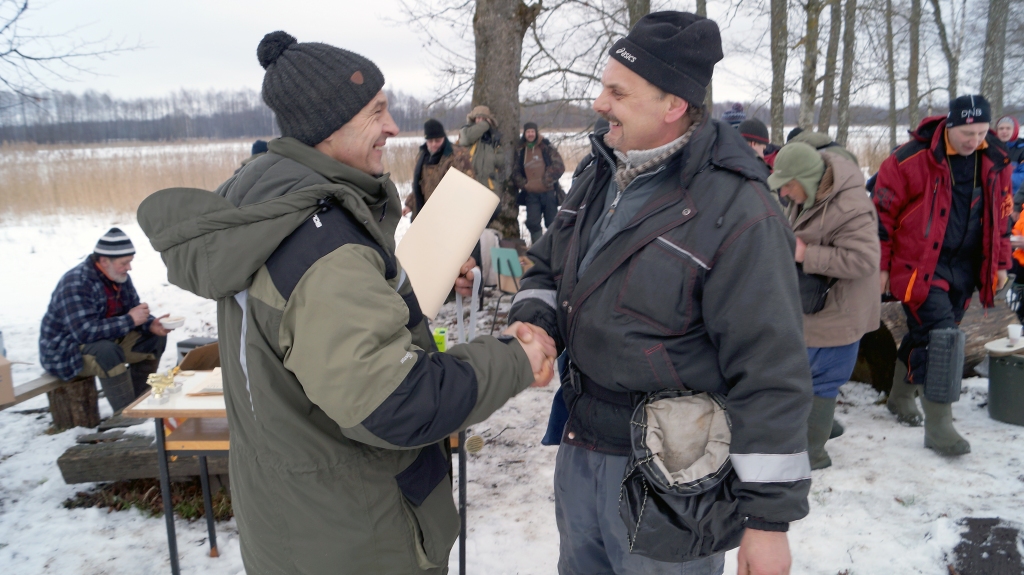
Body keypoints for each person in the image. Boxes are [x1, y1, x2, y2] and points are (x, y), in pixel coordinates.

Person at [137, 31, 556, 575]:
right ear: (327, 126)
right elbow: (396, 403)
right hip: (359, 539)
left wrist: (404, 286)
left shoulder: (272, 209)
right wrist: (513, 358)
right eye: (376, 111)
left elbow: (322, 331)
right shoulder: (322, 246)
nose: (392, 126)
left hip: (300, 524)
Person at [508, 12, 812, 575]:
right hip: (582, 445)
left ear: (673, 105)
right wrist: (536, 325)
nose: (599, 103)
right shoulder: (599, 172)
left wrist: (767, 523)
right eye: (604, 87)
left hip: (674, 474)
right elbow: (548, 266)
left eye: (618, 92)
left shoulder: (737, 209)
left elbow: (771, 370)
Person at [874, 95, 1012, 456]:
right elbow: (881, 218)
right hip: (920, 265)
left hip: (966, 267)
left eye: (981, 132)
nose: (975, 140)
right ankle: (940, 426)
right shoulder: (909, 159)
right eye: (968, 133)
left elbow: (1001, 218)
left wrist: (1000, 264)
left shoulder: (996, 159)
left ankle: (899, 396)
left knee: (926, 331)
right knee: (943, 338)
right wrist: (881, 267)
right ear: (950, 125)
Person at [769, 143, 880, 469]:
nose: (784, 193)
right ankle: (822, 424)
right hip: (815, 305)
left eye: (788, 185)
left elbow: (864, 260)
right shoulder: (807, 196)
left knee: (822, 381)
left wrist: (806, 254)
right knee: (803, 376)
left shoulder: (850, 207)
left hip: (838, 312)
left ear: (806, 178)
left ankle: (812, 455)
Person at [38, 228, 172, 412]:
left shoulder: (120, 278)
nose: (129, 268)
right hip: (66, 351)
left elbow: (133, 311)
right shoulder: (76, 283)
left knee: (154, 338)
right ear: (103, 261)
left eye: (130, 262)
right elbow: (84, 332)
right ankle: (125, 413)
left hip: (105, 341)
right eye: (124, 263)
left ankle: (140, 401)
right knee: (107, 351)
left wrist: (151, 324)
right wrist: (130, 320)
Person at [512, 121, 566, 243]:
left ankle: (553, 247)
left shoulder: (546, 146)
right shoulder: (521, 150)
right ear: (524, 134)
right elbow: (516, 172)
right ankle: (538, 248)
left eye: (532, 131)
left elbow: (559, 166)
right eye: (528, 132)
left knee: (552, 223)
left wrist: (546, 181)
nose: (530, 134)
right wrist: (525, 185)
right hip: (531, 195)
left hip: (549, 193)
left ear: (536, 133)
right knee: (532, 223)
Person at [403, 118, 455, 219]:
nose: (433, 144)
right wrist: (410, 204)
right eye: (430, 141)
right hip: (423, 213)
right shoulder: (422, 156)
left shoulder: (456, 156)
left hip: (446, 215)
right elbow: (419, 185)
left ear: (444, 138)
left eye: (437, 141)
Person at [455, 105, 504, 197]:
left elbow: (501, 160)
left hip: (488, 185)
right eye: (478, 118)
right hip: (468, 184)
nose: (481, 120)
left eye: (483, 118)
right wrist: (486, 124)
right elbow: (467, 139)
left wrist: (492, 159)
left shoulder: (493, 136)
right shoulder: (466, 131)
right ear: (474, 119)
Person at [996, 116, 1024, 212]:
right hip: (994, 198)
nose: (1004, 131)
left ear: (1015, 130)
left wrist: (1000, 178)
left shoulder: (1021, 149)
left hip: (1015, 199)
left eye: (1008, 128)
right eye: (1001, 128)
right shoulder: (990, 147)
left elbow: (1022, 177)